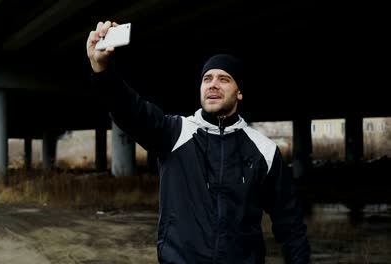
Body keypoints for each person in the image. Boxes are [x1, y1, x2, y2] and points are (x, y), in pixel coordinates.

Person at [86, 21, 311, 264]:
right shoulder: (175, 132)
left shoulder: (264, 150)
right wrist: (102, 69)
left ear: (239, 92)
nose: (213, 83)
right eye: (207, 79)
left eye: (224, 79)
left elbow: (290, 223)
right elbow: (129, 109)